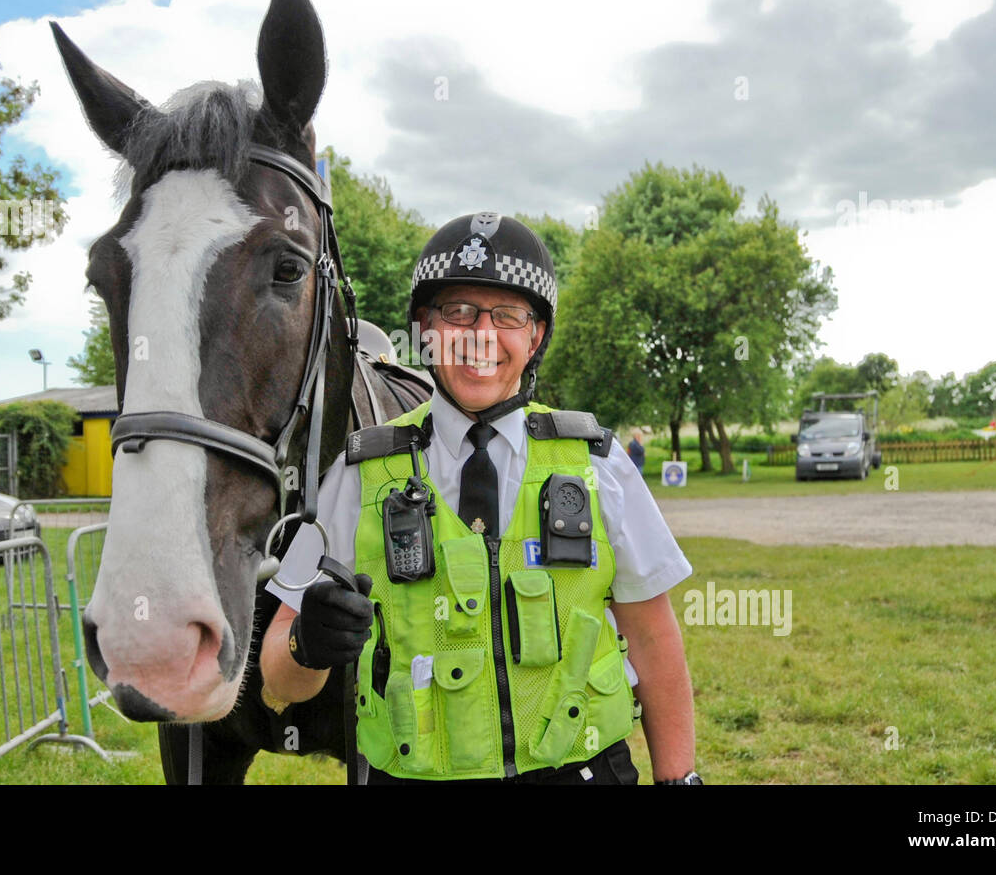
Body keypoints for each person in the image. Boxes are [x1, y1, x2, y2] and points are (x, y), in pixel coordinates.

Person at [259, 212, 699, 784]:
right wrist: (305, 644)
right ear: (424, 328)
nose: (480, 335)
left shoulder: (598, 465)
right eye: (457, 312)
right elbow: (276, 680)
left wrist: (680, 780)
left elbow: (652, 639)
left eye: (508, 315)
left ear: (535, 335)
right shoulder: (359, 474)